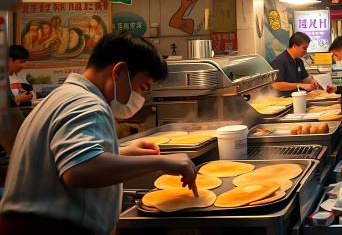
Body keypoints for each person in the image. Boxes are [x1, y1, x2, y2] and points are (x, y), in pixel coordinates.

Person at [0, 31, 197, 234]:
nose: (140, 97)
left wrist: (122, 152)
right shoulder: (87, 104)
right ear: (119, 71)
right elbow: (77, 171)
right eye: (141, 87)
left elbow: (60, 160)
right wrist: (161, 162)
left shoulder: (63, 96)